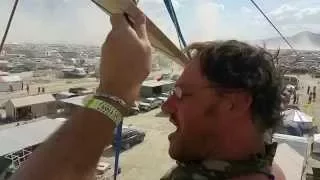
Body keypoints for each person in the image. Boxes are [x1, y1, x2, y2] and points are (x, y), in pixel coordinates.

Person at [8, 5, 285, 180]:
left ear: (233, 104)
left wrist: (113, 93)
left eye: (180, 93)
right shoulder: (268, 170)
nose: (166, 107)